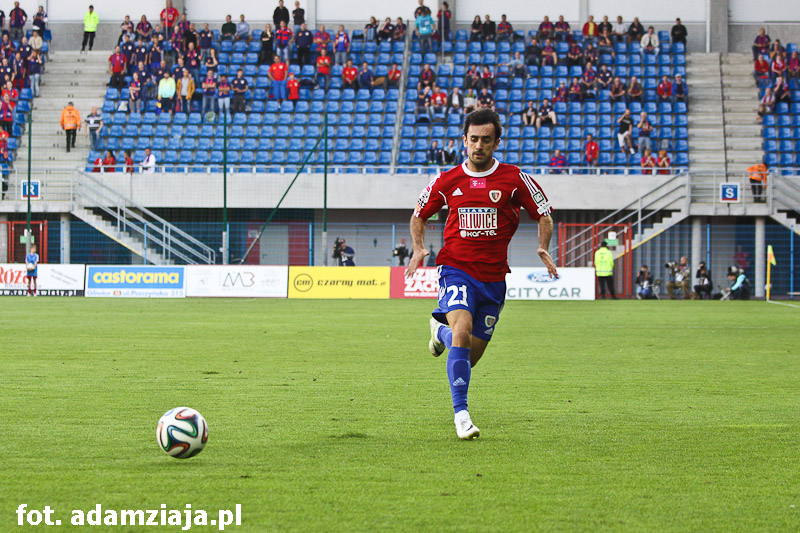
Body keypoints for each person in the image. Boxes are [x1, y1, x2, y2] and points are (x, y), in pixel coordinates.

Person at [406, 108, 556, 440]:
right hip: (455, 269)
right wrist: (418, 247)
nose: (478, 145)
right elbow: (419, 214)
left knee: (467, 357)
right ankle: (462, 416)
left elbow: (544, 213)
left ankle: (439, 332)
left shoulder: (514, 179)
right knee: (461, 330)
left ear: (496, 142)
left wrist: (542, 246)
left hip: (493, 279)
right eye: (473, 139)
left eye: (486, 140)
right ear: (464, 140)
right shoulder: (446, 180)